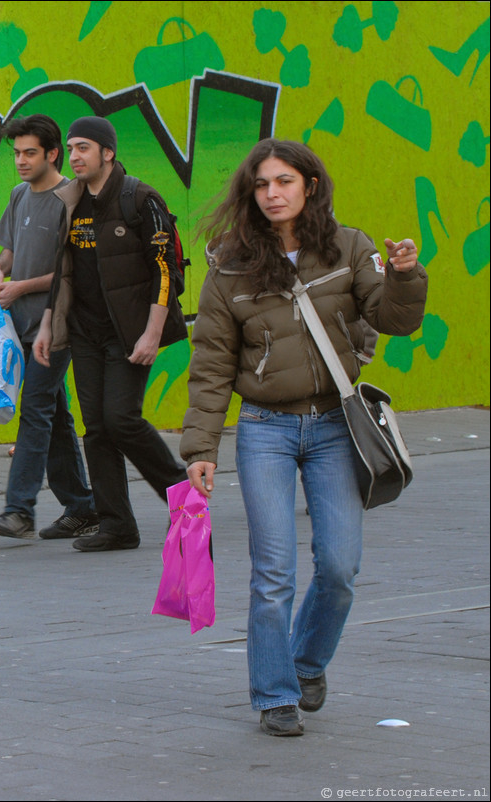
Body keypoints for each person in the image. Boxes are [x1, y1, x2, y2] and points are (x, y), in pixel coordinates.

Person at [180, 139, 427, 736]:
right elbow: (212, 362)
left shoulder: (349, 247)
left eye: (284, 182)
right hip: (265, 429)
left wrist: (404, 276)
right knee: (273, 571)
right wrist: (201, 448)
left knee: (340, 567)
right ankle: (275, 695)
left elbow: (396, 319)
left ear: (309, 185)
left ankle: (306, 662)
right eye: (263, 185)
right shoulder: (229, 265)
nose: (273, 194)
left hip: (335, 427)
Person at [32, 116, 187, 552]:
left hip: (130, 332)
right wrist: (49, 326)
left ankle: (184, 495)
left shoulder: (141, 198)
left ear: (108, 152)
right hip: (85, 332)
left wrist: (152, 334)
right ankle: (117, 525)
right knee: (96, 428)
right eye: (71, 148)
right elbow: (62, 271)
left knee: (121, 419)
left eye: (84, 147)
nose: (74, 156)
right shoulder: (70, 203)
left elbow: (166, 271)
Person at [0, 114, 99, 541]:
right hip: (20, 328)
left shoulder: (72, 200)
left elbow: (76, 273)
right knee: (55, 415)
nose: (21, 161)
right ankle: (83, 507)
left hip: (59, 327)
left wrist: (20, 288)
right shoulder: (18, 196)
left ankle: (19, 510)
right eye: (16, 153)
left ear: (52, 153)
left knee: (35, 410)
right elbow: (10, 250)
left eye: (30, 153)